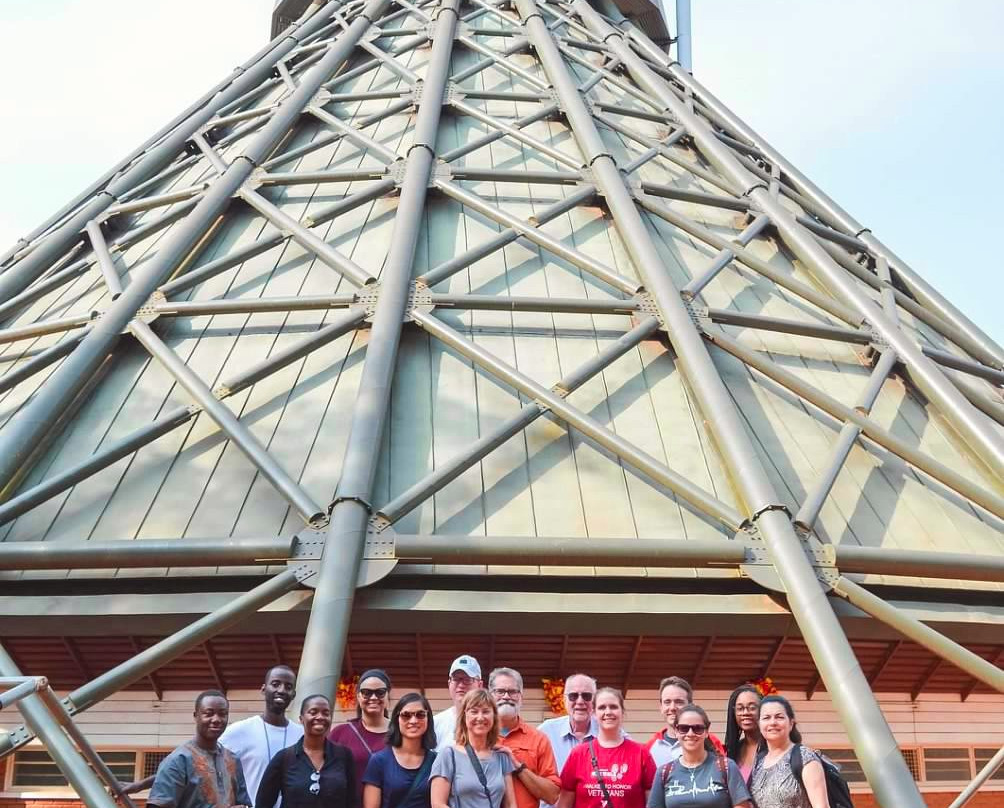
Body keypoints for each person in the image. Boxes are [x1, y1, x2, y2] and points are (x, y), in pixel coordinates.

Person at [147, 690, 250, 808]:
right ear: (196, 716)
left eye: (222, 714)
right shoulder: (178, 761)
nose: (216, 719)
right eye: (208, 713)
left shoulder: (233, 760)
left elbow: (244, 803)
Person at [556, 687, 655, 808]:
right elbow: (564, 803)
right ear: (594, 713)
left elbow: (653, 802)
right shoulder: (578, 754)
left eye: (613, 707)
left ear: (622, 712)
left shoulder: (641, 754)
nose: (608, 712)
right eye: (602, 707)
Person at [220, 666, 304, 804]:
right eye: (276, 684)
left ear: (293, 694)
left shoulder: (302, 735)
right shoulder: (239, 731)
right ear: (264, 690)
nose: (282, 690)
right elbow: (212, 768)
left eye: (288, 686)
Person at [256, 694, 357, 808]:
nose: (320, 717)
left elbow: (353, 801)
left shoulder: (344, 756)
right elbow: (263, 803)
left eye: (326, 713)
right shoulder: (284, 758)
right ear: (301, 719)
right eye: (313, 712)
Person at [647, 704, 751, 808]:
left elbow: (742, 805)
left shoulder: (726, 767)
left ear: (706, 732)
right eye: (684, 728)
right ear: (676, 731)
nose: (690, 733)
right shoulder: (664, 773)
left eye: (698, 728)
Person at [430, 689, 517, 808]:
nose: (480, 718)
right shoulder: (448, 755)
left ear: (494, 717)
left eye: (486, 711)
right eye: (474, 712)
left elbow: (511, 804)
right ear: (464, 716)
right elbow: (438, 804)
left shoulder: (501, 756)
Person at [488, 667, 560, 808]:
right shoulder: (478, 736)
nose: (506, 696)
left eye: (513, 691)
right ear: (490, 696)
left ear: (521, 696)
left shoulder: (538, 739)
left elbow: (552, 795)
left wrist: (519, 767)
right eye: (500, 691)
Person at [748, 696, 828, 808]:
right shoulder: (759, 761)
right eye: (766, 718)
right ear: (759, 724)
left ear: (791, 723)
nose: (773, 722)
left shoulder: (805, 758)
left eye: (779, 717)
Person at [363, 692, 437, 808]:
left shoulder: (437, 761)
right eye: (406, 715)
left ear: (429, 719)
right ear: (397, 720)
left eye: (420, 714)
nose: (413, 721)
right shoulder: (379, 761)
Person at [331, 669, 392, 787]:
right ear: (358, 697)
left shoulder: (401, 732)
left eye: (380, 692)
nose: (373, 697)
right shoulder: (340, 733)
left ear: (387, 696)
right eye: (366, 692)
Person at [537, 673, 601, 776]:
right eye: (573, 696)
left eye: (586, 696)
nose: (580, 701)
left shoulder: (609, 732)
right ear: (564, 699)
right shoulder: (546, 731)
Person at [434, 656, 483, 751]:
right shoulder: (436, 723)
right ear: (449, 684)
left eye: (467, 680)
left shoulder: (488, 722)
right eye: (456, 679)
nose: (461, 685)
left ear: (480, 685)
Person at [723, 687, 761, 783]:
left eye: (752, 708)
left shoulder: (773, 747)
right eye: (740, 708)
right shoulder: (732, 750)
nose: (745, 713)